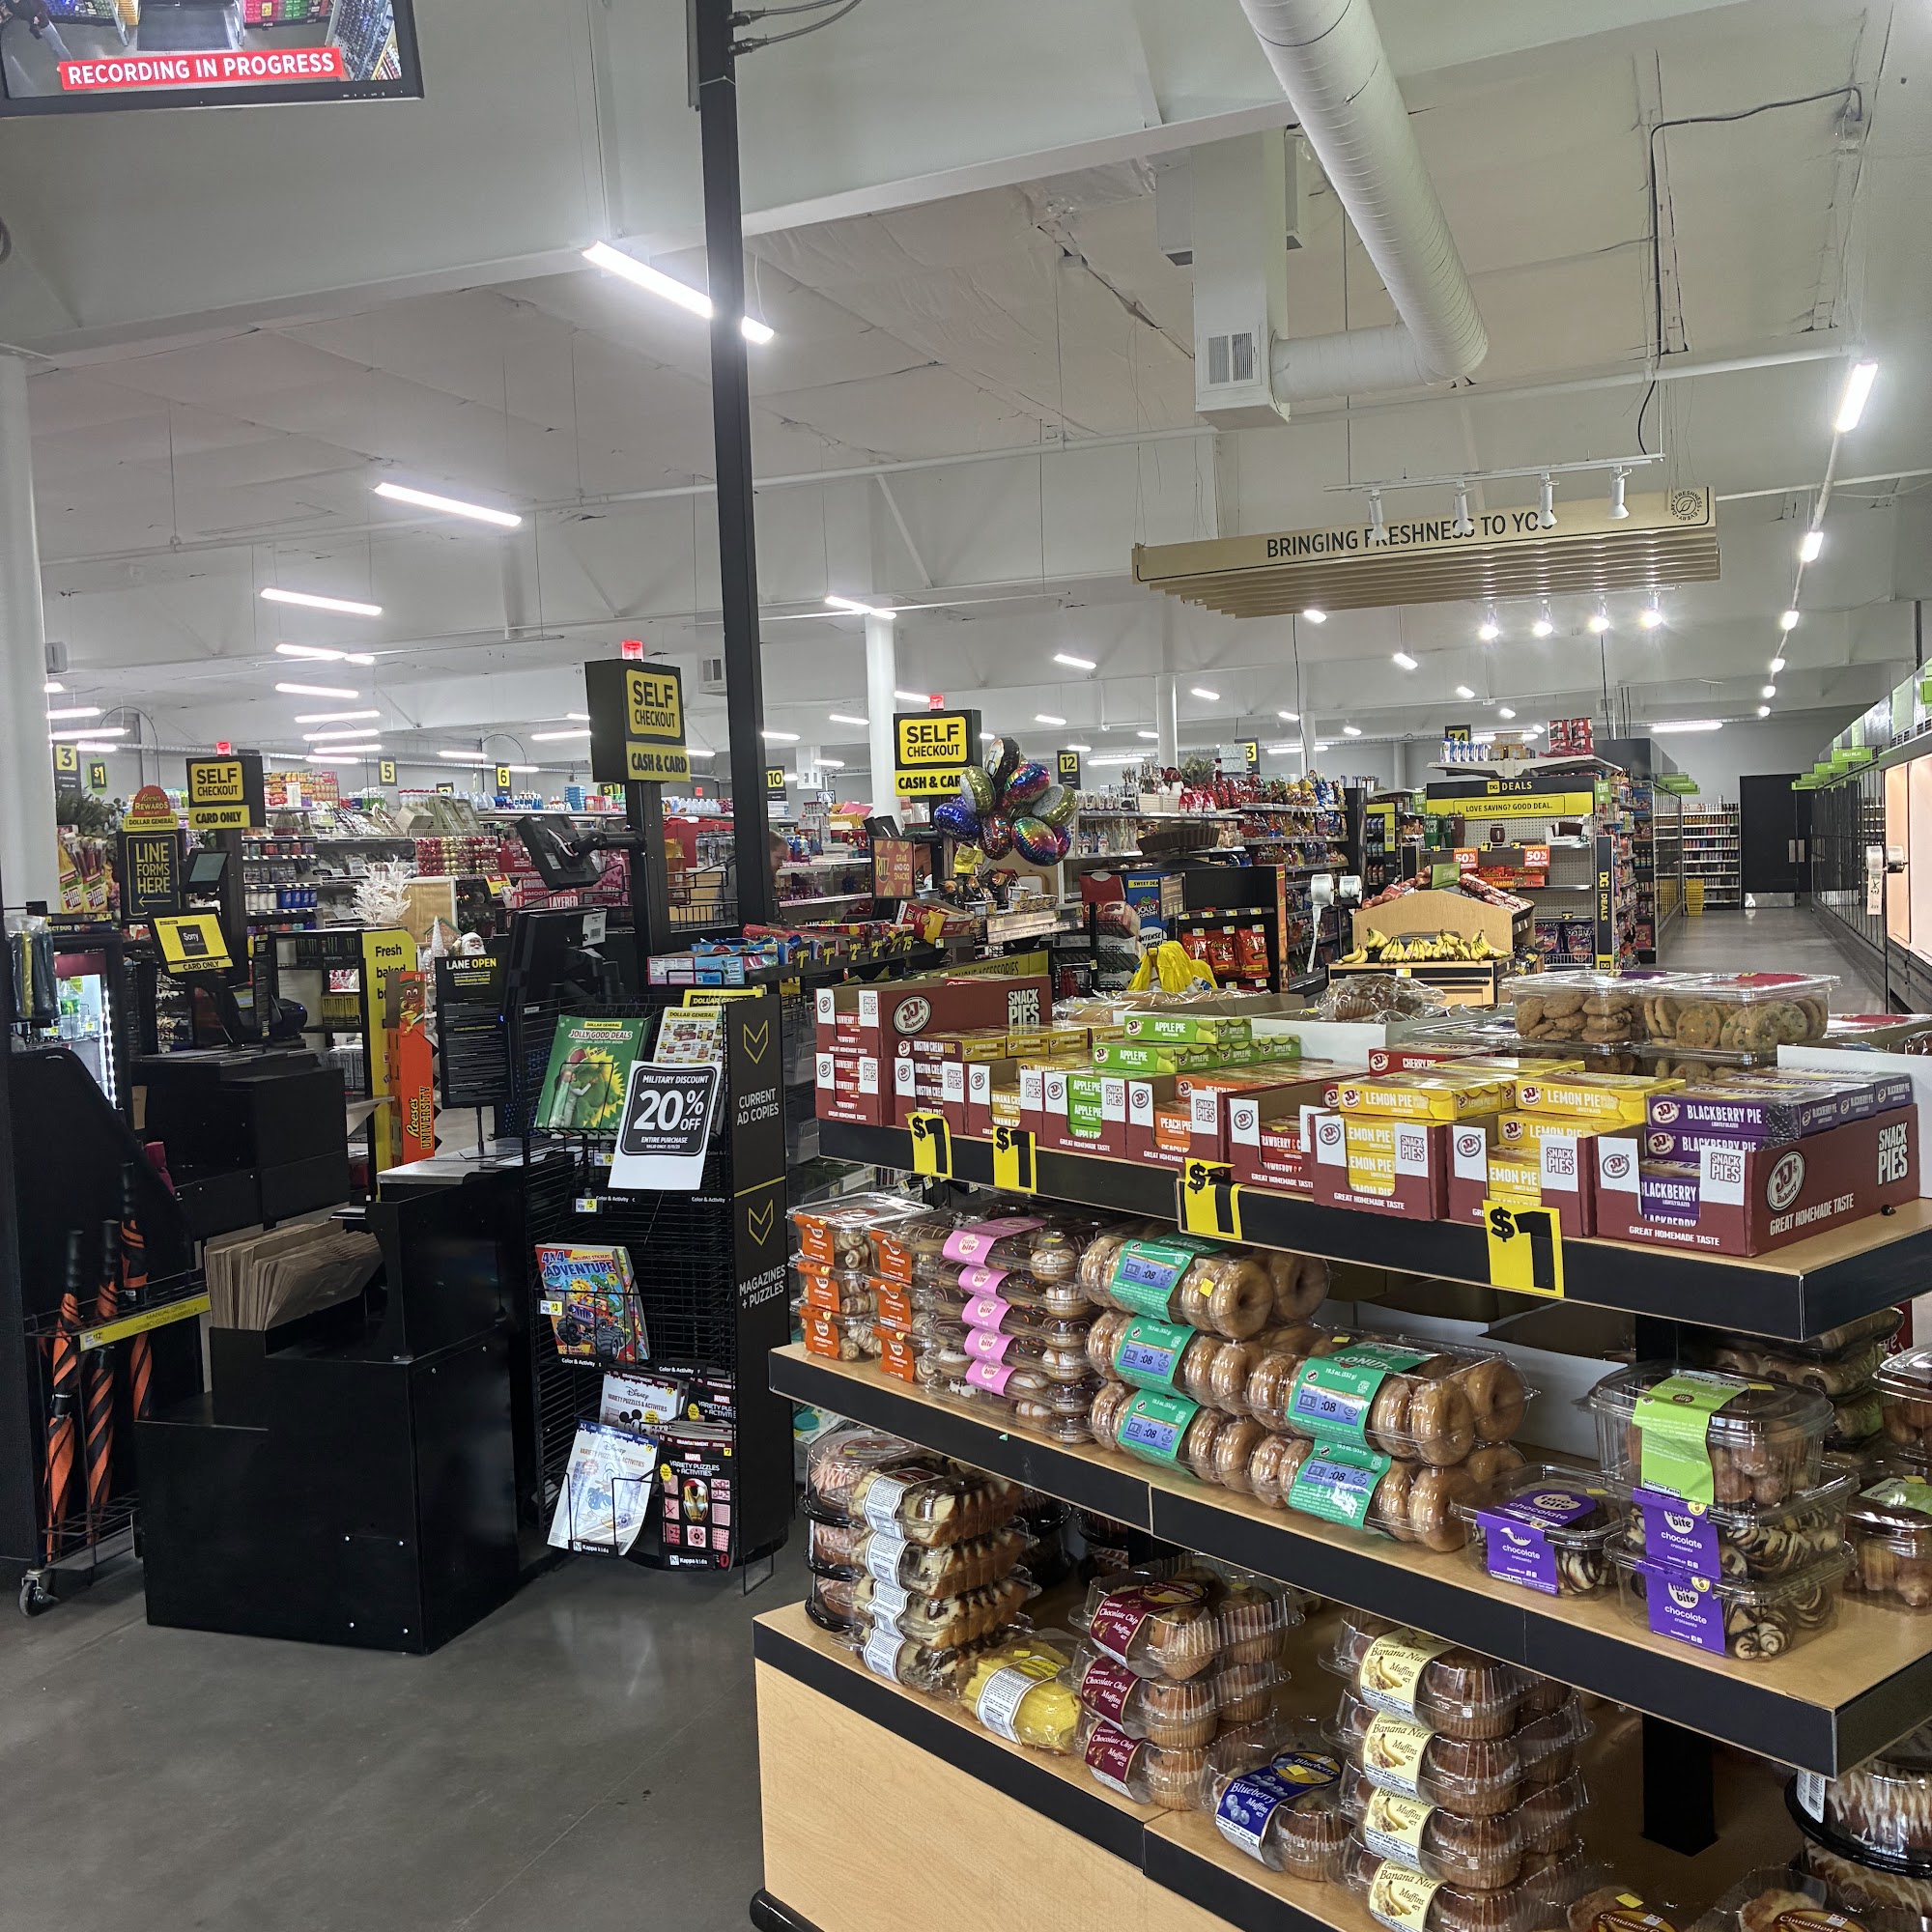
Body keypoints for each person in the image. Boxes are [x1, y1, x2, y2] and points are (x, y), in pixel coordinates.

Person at [2, 0, 74, 67]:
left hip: (45, 24)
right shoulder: (16, 7)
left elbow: (43, 6)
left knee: (58, 46)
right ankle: (62, 64)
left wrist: (37, 17)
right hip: (38, 28)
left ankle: (71, 64)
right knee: (53, 47)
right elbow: (23, 16)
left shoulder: (29, 2)